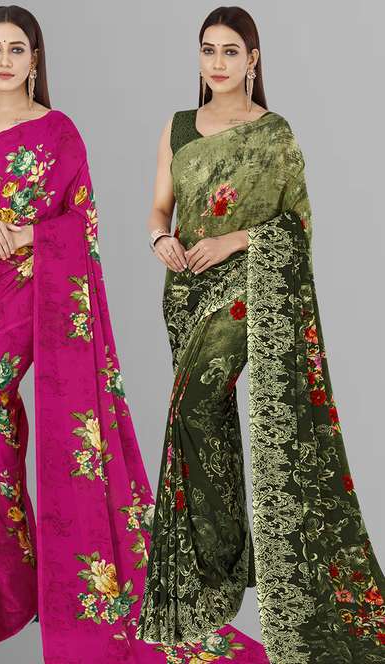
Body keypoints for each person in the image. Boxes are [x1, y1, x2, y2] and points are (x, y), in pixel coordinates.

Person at [0, 5, 269, 663]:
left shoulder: (58, 131)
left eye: (16, 49)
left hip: (36, 286)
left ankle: (48, 575)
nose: (4, 60)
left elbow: (83, 222)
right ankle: (12, 582)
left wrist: (23, 234)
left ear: (35, 60)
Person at [135, 6, 385, 664]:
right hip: (186, 289)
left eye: (230, 51)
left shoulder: (274, 134)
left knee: (191, 405)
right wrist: (160, 239)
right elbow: (159, 208)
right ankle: (224, 565)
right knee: (206, 417)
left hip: (249, 286)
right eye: (207, 50)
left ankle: (223, 566)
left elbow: (296, 225)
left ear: (253, 60)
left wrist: (234, 241)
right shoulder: (178, 127)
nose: (217, 62)